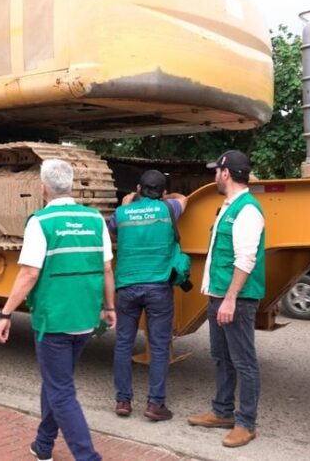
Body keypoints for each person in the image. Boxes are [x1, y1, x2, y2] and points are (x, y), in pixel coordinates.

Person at [0, 159, 116, 461]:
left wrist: (6, 313)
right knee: (57, 381)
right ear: (71, 185)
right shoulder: (95, 219)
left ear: (42, 188)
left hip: (54, 321)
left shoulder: (40, 222)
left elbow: (29, 274)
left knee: (61, 391)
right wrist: (109, 307)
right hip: (85, 319)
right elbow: (107, 269)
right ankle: (43, 445)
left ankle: (88, 457)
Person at [187, 150, 265, 448]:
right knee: (221, 357)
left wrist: (231, 299)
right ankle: (222, 411)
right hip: (219, 295)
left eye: (216, 171)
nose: (214, 176)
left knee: (244, 361)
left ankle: (246, 422)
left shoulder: (247, 210)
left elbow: (245, 259)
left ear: (226, 173)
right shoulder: (229, 206)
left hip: (237, 299)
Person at [108, 169, 188, 421]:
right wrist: (166, 196)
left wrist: (129, 201)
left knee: (123, 343)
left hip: (127, 286)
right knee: (158, 346)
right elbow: (184, 198)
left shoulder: (120, 214)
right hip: (158, 287)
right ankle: (155, 405)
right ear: (163, 192)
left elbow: (113, 233)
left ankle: (123, 401)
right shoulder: (168, 209)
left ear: (139, 189)